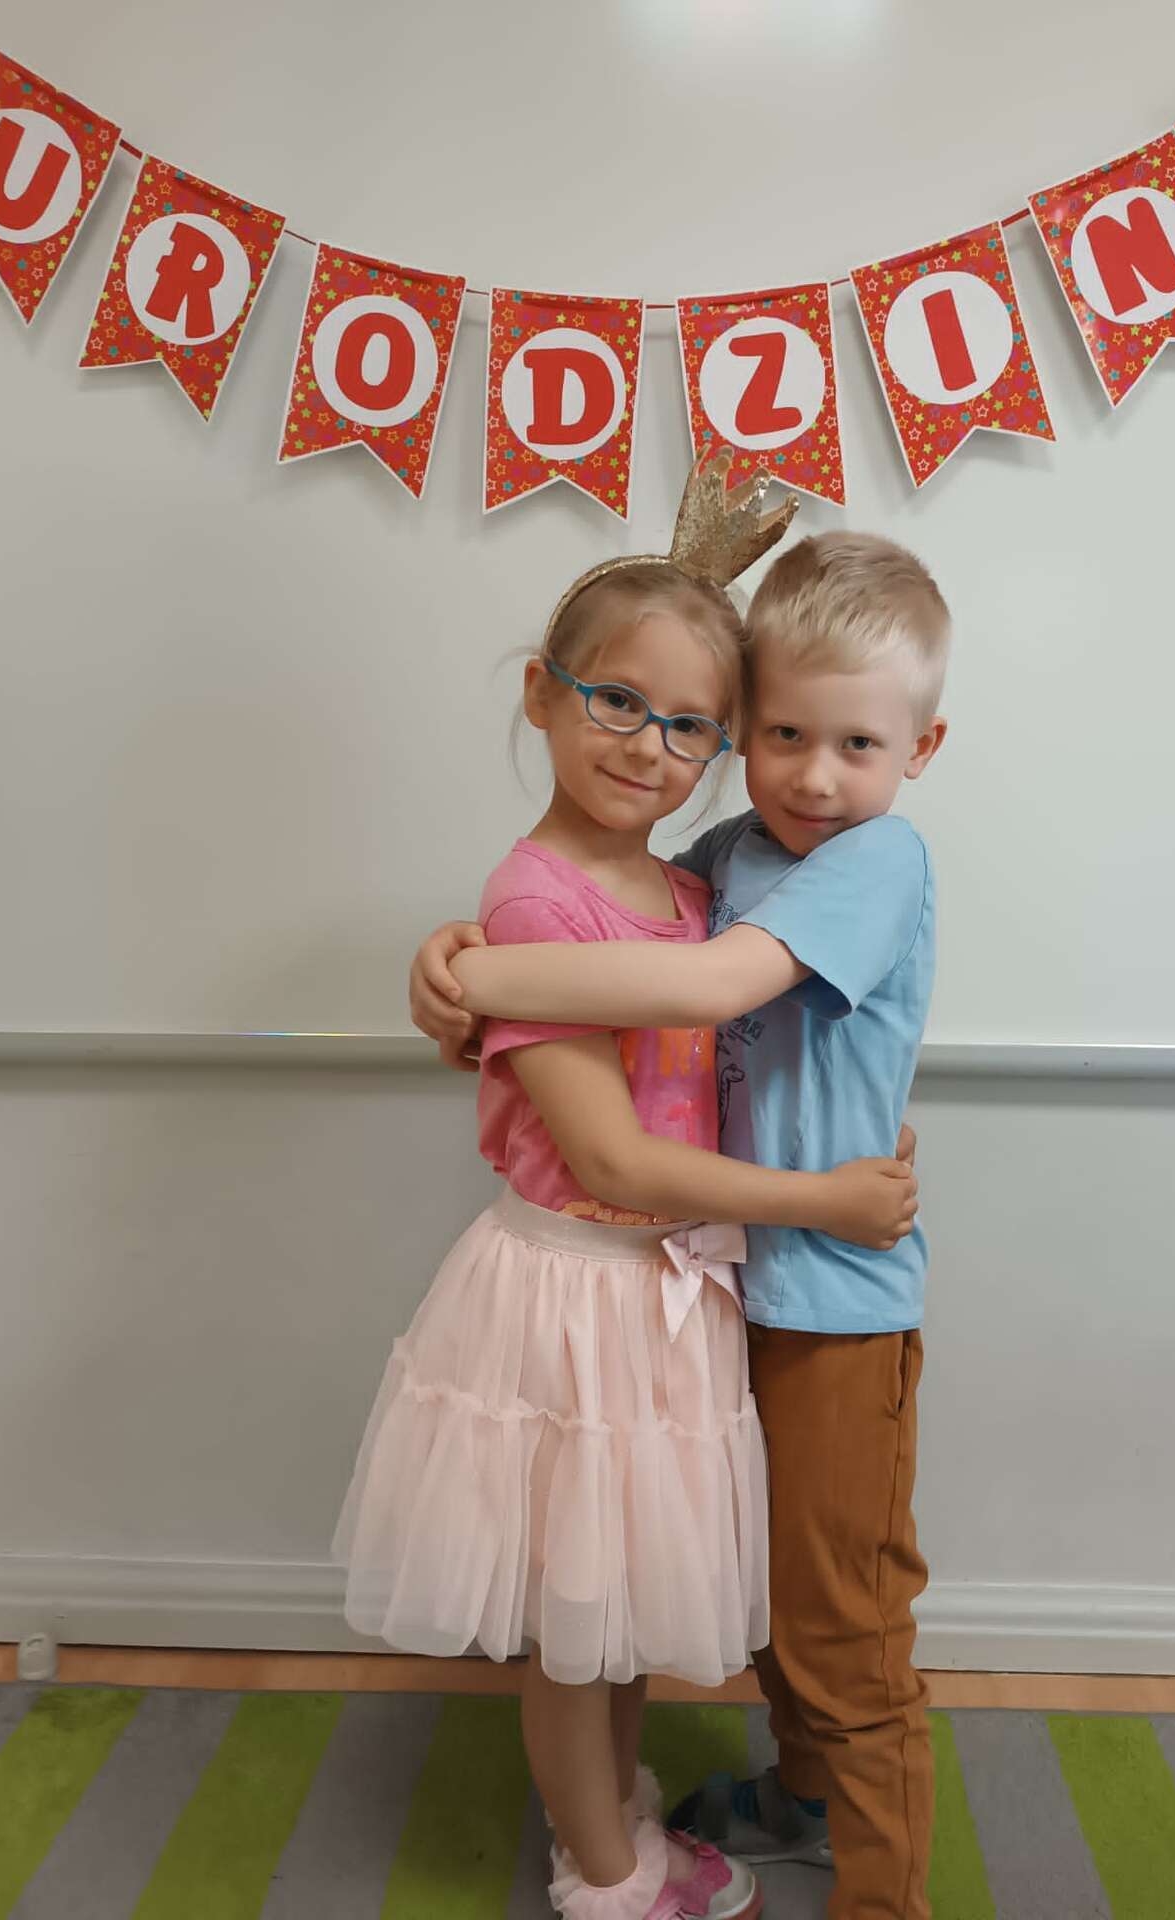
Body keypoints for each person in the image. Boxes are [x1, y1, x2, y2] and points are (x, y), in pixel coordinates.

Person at [335, 471, 920, 1920]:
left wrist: (468, 971)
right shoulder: (576, 892)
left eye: (690, 726)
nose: (651, 746)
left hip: (682, 1283)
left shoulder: (705, 884)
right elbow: (607, 1156)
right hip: (585, 1286)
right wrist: (463, 962)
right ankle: (609, 1868)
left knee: (634, 1605)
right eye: (615, 702)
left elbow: (701, 988)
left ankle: (644, 1830)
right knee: (578, 1613)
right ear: (542, 694)